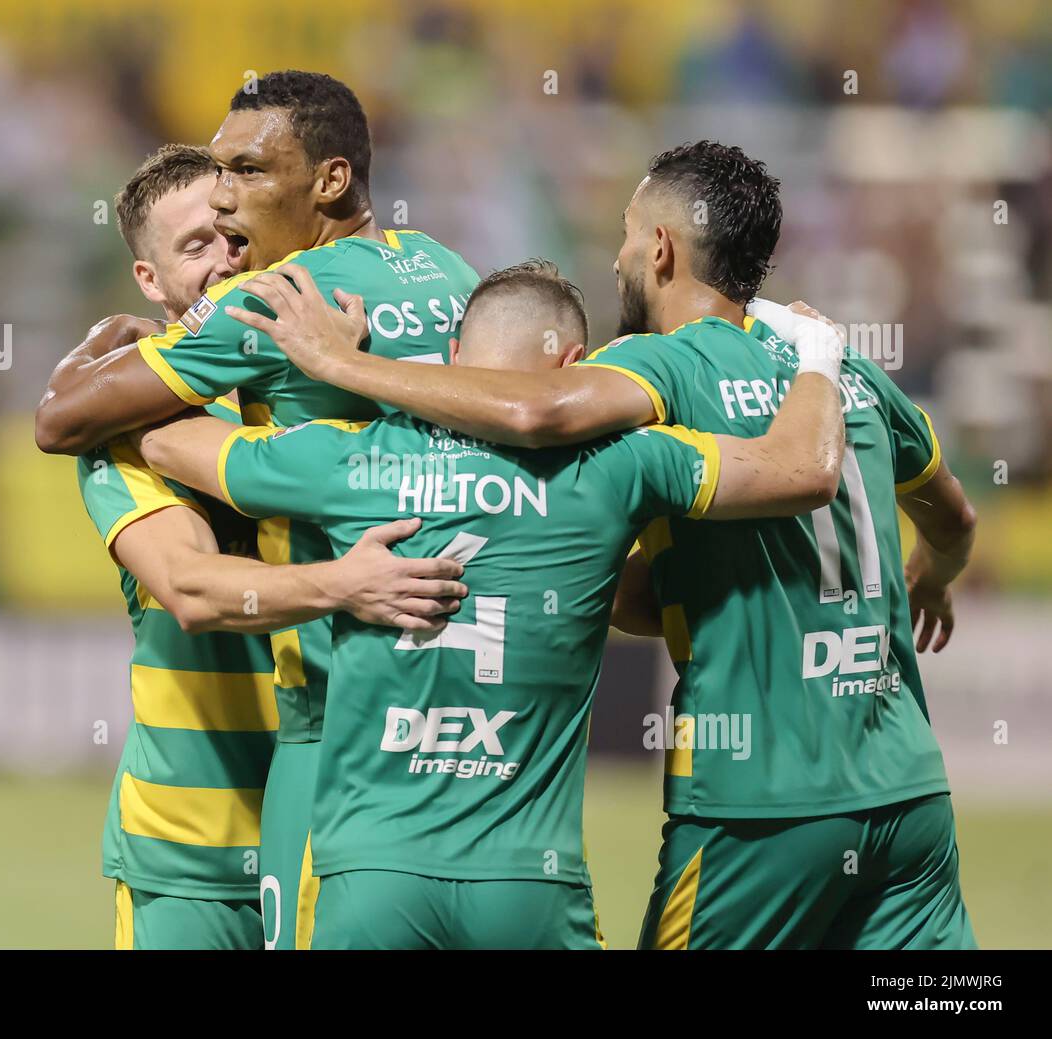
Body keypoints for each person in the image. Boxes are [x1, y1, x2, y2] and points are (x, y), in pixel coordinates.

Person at [226, 141, 979, 949]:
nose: (618, 255)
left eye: (626, 233)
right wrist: (929, 580)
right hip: (909, 789)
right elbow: (953, 519)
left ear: (660, 248)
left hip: (761, 799)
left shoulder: (661, 367)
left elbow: (533, 412)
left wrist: (343, 364)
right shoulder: (842, 372)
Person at [132, 259, 847, 948]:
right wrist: (817, 360)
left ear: (452, 355)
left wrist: (152, 347)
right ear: (574, 367)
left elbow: (161, 438)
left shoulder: (352, 456)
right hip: (527, 883)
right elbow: (797, 470)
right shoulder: (623, 465)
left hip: (372, 875)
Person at [35, 72, 481, 949]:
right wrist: (345, 584)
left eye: (234, 220)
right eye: (198, 242)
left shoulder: (301, 372)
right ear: (150, 279)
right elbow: (194, 591)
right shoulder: (134, 433)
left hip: (346, 792)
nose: (228, 247)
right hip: (192, 856)